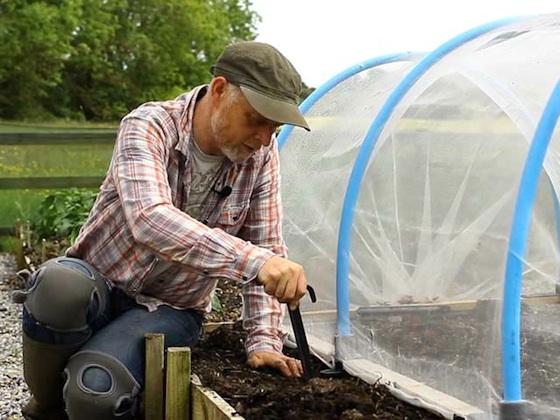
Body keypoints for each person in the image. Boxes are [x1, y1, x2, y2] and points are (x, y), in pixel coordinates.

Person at [14, 41, 311, 420]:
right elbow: (150, 218)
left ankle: (84, 389)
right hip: (100, 285)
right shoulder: (150, 125)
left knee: (96, 391)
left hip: (172, 307)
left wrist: (265, 340)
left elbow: (267, 242)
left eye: (275, 127)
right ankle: (47, 407)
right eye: (256, 119)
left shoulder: (261, 158)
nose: (264, 138)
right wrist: (255, 261)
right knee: (58, 288)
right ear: (220, 90)